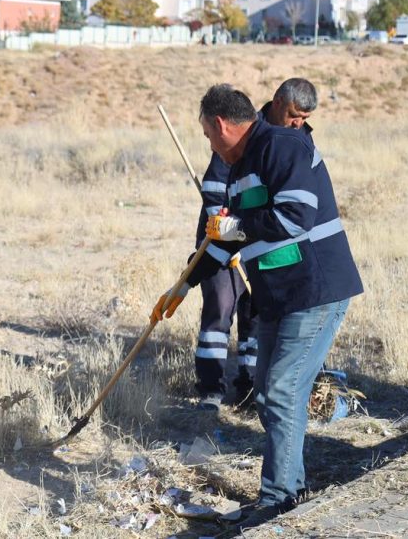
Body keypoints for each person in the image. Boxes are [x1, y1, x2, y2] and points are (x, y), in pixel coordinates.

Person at [152, 84, 363, 523]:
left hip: (313, 290)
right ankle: (293, 488)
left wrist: (236, 228)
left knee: (282, 392)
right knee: (270, 394)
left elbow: (294, 216)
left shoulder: (281, 145)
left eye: (209, 137)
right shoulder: (238, 168)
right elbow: (222, 240)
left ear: (220, 125)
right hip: (278, 297)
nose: (210, 146)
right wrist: (183, 285)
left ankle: (278, 501)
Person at [192, 78, 320, 411]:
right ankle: (210, 388)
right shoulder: (240, 133)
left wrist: (238, 229)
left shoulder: (294, 142)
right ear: (277, 102)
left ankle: (248, 385)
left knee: (255, 316)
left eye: (304, 119)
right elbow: (218, 193)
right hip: (224, 242)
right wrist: (223, 236)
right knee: (220, 308)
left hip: (265, 250)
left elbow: (295, 215)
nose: (298, 124)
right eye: (294, 115)